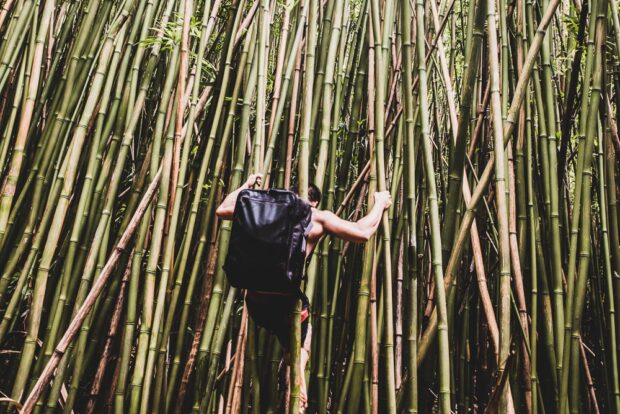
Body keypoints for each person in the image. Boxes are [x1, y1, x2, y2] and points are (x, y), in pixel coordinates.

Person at [215, 173, 392, 411]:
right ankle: (299, 395)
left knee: (290, 344)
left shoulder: (257, 207)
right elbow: (363, 233)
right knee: (302, 345)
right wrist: (380, 203)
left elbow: (222, 208)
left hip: (255, 303)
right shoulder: (315, 217)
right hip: (287, 305)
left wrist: (246, 185)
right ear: (314, 202)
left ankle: (291, 360)